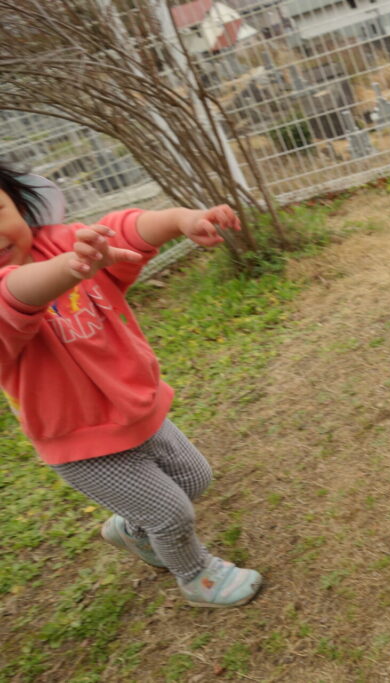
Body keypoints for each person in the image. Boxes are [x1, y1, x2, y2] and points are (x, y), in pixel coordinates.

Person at [0, 164, 262, 608]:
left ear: (21, 205)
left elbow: (124, 230)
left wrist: (179, 219)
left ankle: (133, 530)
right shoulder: (61, 262)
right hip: (80, 440)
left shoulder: (64, 241)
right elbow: (16, 293)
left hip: (138, 406)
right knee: (170, 513)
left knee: (195, 478)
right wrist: (73, 266)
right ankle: (195, 576)